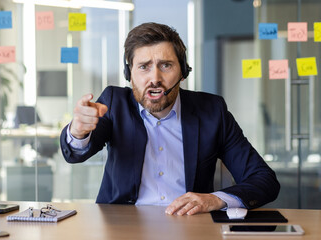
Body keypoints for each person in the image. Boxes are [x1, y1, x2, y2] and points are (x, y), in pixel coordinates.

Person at [60, 22, 280, 216]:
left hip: (190, 226)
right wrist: (79, 131)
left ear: (182, 72)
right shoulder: (114, 103)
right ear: (130, 74)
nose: (154, 78)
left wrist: (214, 199)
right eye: (144, 67)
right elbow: (75, 155)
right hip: (122, 224)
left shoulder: (212, 111)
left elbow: (264, 180)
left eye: (165, 65)